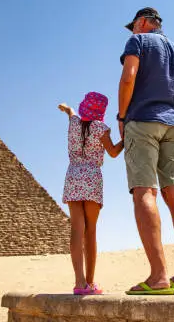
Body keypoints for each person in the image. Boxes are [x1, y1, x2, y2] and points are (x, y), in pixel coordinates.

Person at [118, 7, 174, 295]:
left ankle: (158, 276)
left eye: (134, 26)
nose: (133, 31)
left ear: (142, 23)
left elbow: (128, 77)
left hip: (142, 121)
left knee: (145, 192)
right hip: (173, 125)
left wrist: (121, 118)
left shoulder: (138, 42)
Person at [58, 92, 124, 295]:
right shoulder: (100, 128)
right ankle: (91, 282)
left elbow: (71, 113)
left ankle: (79, 283)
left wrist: (67, 108)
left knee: (77, 229)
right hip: (92, 178)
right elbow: (112, 152)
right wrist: (126, 138)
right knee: (91, 231)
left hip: (73, 176)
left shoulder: (74, 123)